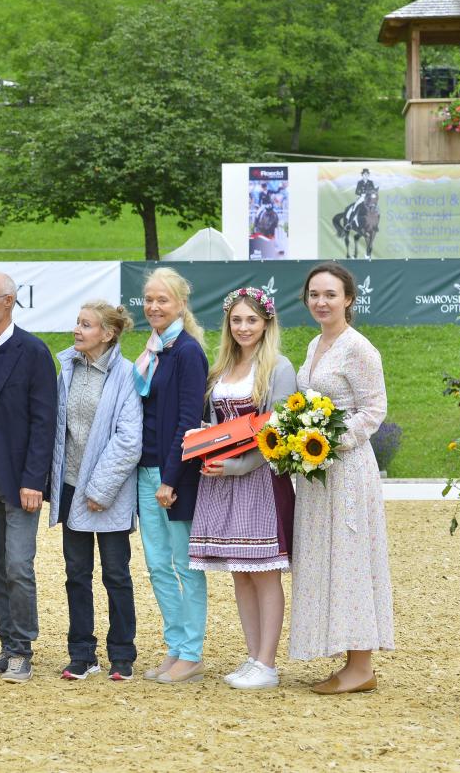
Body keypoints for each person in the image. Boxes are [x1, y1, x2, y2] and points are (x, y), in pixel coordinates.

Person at [290, 262, 394, 694]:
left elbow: (373, 410)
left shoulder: (358, 348)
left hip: (347, 469)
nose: (321, 302)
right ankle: (345, 655)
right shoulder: (315, 343)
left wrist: (329, 441)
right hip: (317, 473)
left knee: (351, 557)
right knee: (326, 556)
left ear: (348, 299)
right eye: (314, 294)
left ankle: (361, 665)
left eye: (330, 294)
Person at [187, 287, 295, 690]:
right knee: (240, 572)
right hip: (223, 478)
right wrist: (204, 442)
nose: (244, 327)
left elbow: (278, 434)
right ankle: (252, 656)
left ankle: (268, 663)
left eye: (252, 320)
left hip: (259, 478)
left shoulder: (278, 367)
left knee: (264, 572)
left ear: (266, 323)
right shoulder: (222, 368)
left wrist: (236, 466)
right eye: (237, 320)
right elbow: (219, 427)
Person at [0, 271, 57, 684]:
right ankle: (7, 645)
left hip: (19, 478)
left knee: (18, 564)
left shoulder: (33, 352)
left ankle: (22, 649)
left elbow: (44, 421)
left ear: (8, 302)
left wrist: (34, 479)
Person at [49, 301, 142, 682]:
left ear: (108, 334)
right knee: (76, 573)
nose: (77, 330)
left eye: (86, 325)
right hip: (71, 487)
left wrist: (100, 489)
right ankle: (82, 654)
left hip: (110, 491)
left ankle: (122, 654)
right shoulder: (67, 369)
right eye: (77, 322)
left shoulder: (126, 374)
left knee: (116, 574)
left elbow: (129, 438)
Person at [133, 267, 209, 685]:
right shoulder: (154, 350)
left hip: (173, 475)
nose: (154, 306)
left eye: (162, 299)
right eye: (149, 299)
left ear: (180, 304)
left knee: (185, 565)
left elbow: (188, 420)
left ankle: (192, 652)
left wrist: (171, 478)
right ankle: (175, 647)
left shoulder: (187, 352)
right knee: (158, 566)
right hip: (145, 470)